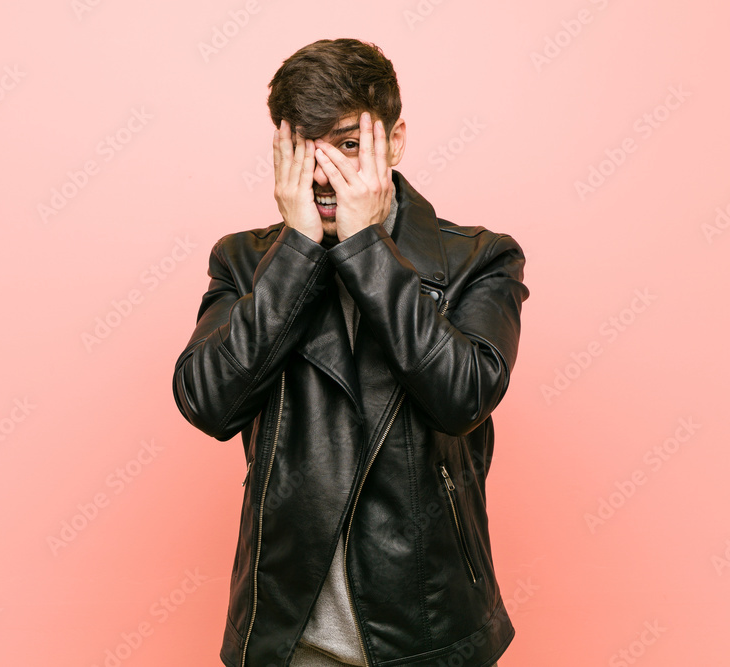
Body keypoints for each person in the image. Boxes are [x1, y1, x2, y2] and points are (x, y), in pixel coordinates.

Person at [172, 38, 527, 667]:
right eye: (306, 148)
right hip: (291, 639)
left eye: (349, 144)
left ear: (396, 142)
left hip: (429, 631)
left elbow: (462, 397)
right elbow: (208, 403)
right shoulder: (246, 261)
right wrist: (299, 253)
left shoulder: (479, 259)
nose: (324, 173)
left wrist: (364, 244)